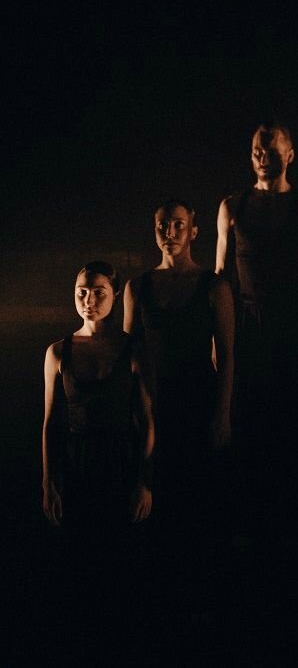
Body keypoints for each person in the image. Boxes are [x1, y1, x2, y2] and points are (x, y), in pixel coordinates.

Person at [214, 121, 298, 547]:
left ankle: (292, 532)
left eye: (272, 152)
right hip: (247, 327)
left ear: (290, 155)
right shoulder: (232, 207)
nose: (263, 159)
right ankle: (249, 530)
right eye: (257, 152)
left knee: (291, 429)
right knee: (247, 425)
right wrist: (217, 336)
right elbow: (221, 279)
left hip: (292, 328)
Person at [123, 199, 235, 620]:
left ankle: (203, 603)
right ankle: (160, 604)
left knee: (199, 501)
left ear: (193, 231)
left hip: (198, 400)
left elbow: (227, 355)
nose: (169, 232)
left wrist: (222, 414)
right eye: (162, 225)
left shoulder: (213, 287)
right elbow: (130, 353)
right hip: (155, 404)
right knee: (157, 499)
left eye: (177, 225)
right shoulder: (138, 287)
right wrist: (135, 409)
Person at [41, 261, 155, 640]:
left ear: (115, 295)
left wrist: (144, 481)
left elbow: (147, 420)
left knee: (121, 557)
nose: (89, 300)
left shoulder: (132, 349)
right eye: (82, 293)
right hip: (77, 462)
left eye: (98, 293)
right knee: (80, 557)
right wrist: (49, 482)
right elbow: (51, 423)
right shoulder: (58, 352)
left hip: (120, 460)